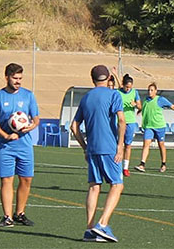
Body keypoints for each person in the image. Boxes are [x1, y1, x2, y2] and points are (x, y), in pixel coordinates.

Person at [71, 65, 126, 242]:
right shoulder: (114, 94)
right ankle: (102, 224)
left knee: (94, 187)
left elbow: (74, 126)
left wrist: (85, 147)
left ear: (92, 78)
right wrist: (120, 146)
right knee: (117, 185)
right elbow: (122, 121)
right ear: (109, 77)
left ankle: (89, 228)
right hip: (109, 147)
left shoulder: (86, 97)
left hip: (93, 148)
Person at [0, 63, 40, 227]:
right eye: (15, 78)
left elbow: (36, 118)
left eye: (20, 78)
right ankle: (7, 217)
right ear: (7, 77)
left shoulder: (28, 95)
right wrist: (5, 135)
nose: (18, 81)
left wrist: (33, 125)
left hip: (25, 146)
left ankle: (20, 213)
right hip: (5, 147)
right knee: (7, 180)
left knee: (26, 179)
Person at [134, 83, 174, 173]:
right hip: (149, 126)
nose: (149, 92)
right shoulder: (146, 100)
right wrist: (139, 110)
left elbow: (173, 107)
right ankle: (142, 164)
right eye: (148, 90)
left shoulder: (160, 100)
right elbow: (144, 108)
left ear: (156, 91)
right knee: (146, 144)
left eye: (152, 90)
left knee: (161, 145)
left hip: (159, 126)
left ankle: (163, 164)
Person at [117, 74, 141, 177]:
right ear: (123, 85)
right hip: (120, 121)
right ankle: (117, 165)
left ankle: (125, 167)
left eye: (130, 87)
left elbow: (140, 106)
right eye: (127, 87)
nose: (128, 89)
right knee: (119, 144)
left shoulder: (135, 92)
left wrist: (135, 104)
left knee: (128, 145)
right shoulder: (118, 93)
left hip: (130, 121)